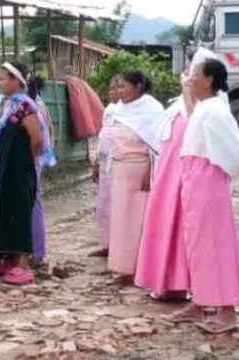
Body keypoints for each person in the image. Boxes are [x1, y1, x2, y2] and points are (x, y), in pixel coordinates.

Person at [135, 48, 217, 301]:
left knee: (182, 230)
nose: (188, 75)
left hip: (186, 179)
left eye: (194, 71)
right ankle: (168, 283)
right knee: (165, 226)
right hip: (167, 177)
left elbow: (197, 130)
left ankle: (182, 284)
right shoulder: (177, 106)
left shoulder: (207, 106)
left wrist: (188, 93)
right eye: (188, 69)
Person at [169, 59, 239, 334]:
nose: (190, 79)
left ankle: (227, 310)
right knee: (197, 243)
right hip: (195, 180)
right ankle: (201, 299)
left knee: (215, 243)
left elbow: (232, 153)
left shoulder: (217, 111)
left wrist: (207, 175)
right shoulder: (205, 107)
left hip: (207, 182)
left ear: (209, 80)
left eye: (195, 75)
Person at [0, 61, 54, 285]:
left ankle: (22, 264)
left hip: (20, 170)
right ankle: (7, 259)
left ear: (16, 80)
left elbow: (37, 140)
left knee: (20, 214)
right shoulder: (7, 105)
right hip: (5, 170)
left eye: (3, 78)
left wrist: (26, 163)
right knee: (5, 211)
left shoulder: (25, 107)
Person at [106, 71, 164, 283]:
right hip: (120, 169)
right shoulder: (118, 109)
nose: (120, 91)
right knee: (121, 219)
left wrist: (150, 172)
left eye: (124, 87)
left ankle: (142, 267)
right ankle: (122, 267)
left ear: (138, 86)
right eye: (118, 86)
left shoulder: (152, 110)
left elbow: (158, 145)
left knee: (138, 219)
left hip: (140, 170)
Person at [26, 76, 56, 265]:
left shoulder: (31, 107)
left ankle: (36, 252)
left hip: (31, 160)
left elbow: (40, 138)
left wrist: (31, 160)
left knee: (33, 202)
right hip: (36, 160)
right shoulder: (37, 104)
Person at [90, 76, 121, 258]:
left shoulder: (128, 112)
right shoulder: (108, 110)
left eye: (117, 88)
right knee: (104, 206)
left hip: (120, 165)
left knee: (118, 206)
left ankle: (118, 246)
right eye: (110, 89)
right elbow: (102, 138)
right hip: (104, 165)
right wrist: (96, 163)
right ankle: (105, 243)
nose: (113, 92)